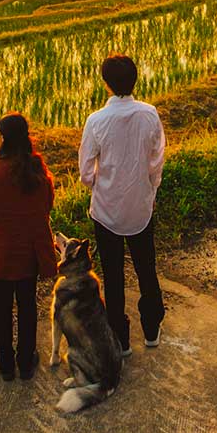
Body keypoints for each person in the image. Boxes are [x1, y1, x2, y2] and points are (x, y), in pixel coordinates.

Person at [77, 53, 165, 353]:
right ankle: (152, 331)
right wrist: (149, 190)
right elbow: (156, 161)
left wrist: (97, 184)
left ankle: (121, 340)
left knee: (113, 277)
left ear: (106, 84)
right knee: (146, 269)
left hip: (106, 211)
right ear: (135, 79)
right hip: (140, 207)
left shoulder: (96, 120)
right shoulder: (149, 114)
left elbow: (86, 171)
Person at [0, 111, 59, 381]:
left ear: (3, 138)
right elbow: (47, 206)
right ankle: (25, 361)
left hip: (1, 254)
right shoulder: (38, 170)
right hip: (28, 253)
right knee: (26, 306)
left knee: (1, 308)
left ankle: (5, 364)